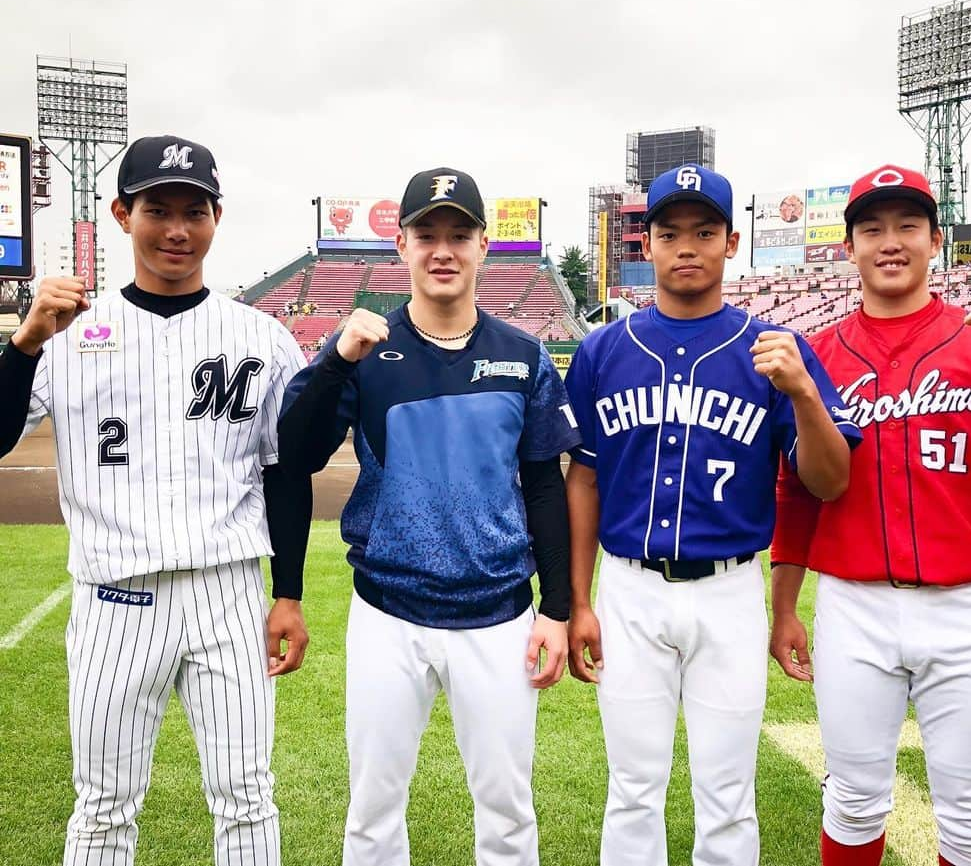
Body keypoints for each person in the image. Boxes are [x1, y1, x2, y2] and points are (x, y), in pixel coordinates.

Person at [0, 135, 313, 866]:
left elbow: (285, 469)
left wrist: (290, 592)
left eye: (194, 211)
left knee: (247, 795)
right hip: (115, 600)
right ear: (121, 214)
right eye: (158, 209)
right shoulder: (67, 335)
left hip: (227, 591)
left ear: (216, 218)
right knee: (104, 805)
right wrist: (24, 343)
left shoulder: (261, 338)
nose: (177, 228)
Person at [769, 164, 971, 866]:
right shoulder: (820, 356)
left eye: (907, 225)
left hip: (966, 610)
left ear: (935, 239)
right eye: (871, 228)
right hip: (854, 607)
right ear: (847, 247)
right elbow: (797, 490)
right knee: (851, 797)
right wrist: (785, 604)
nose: (890, 241)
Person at [277, 167, 580, 866]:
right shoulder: (362, 349)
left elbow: (543, 485)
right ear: (402, 247)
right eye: (427, 235)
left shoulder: (525, 356)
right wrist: (333, 365)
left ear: (483, 246)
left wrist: (557, 608)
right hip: (388, 612)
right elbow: (295, 454)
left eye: (458, 235)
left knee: (507, 809)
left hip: (499, 614)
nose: (443, 250)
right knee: (374, 809)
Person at [563, 163, 861, 866]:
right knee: (633, 789)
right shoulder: (605, 349)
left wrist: (804, 397)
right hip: (629, 591)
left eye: (705, 231)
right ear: (650, 246)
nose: (687, 245)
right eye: (671, 232)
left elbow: (829, 480)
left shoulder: (776, 350)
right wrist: (578, 599)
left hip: (730, 593)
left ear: (732, 243)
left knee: (728, 795)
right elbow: (583, 478)